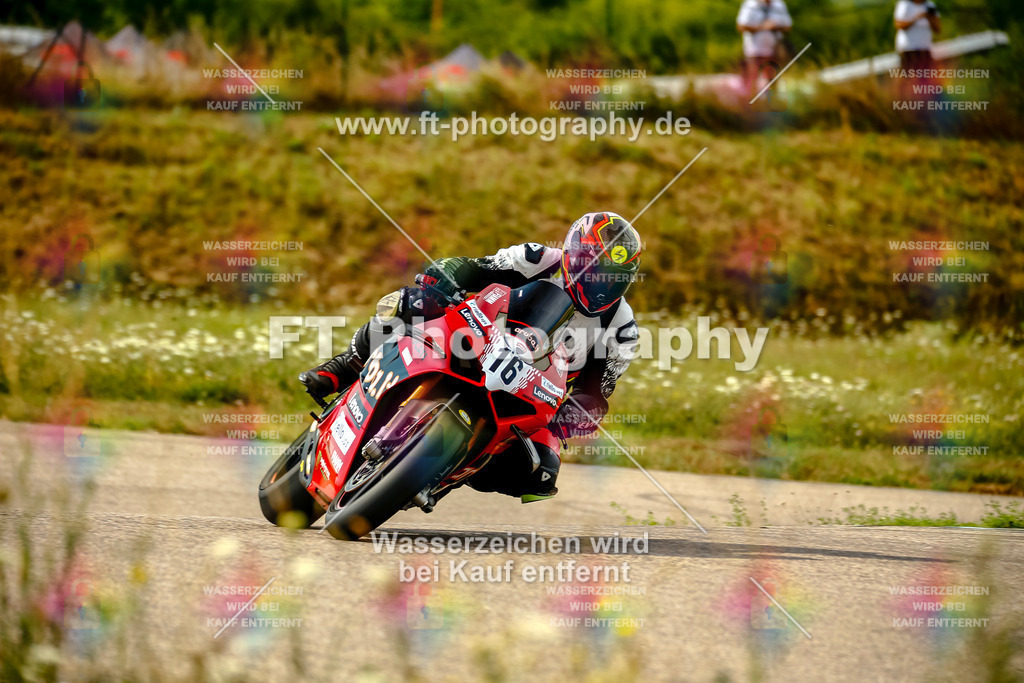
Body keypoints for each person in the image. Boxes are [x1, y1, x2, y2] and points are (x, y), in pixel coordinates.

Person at [299, 211, 643, 502]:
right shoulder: (538, 259)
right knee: (414, 304)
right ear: (571, 254)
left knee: (539, 474)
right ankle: (346, 365)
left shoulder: (621, 326)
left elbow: (597, 392)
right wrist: (446, 275)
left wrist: (577, 413)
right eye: (592, 270)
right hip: (477, 338)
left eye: (612, 280)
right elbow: (476, 268)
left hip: (532, 391)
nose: (599, 284)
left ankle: (444, 467)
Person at [736, 0, 793, 94]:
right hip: (754, 51)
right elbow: (741, 26)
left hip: (774, 50)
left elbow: (788, 27)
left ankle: (771, 104)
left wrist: (775, 27)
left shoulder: (779, 4)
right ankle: (751, 106)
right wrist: (762, 27)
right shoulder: (750, 4)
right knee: (752, 80)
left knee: (773, 80)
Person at [894, 0, 941, 71]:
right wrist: (916, 18)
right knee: (909, 78)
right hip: (908, 49)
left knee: (926, 77)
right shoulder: (905, 4)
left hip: (925, 48)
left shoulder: (929, 5)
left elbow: (937, 29)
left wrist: (929, 17)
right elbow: (899, 25)